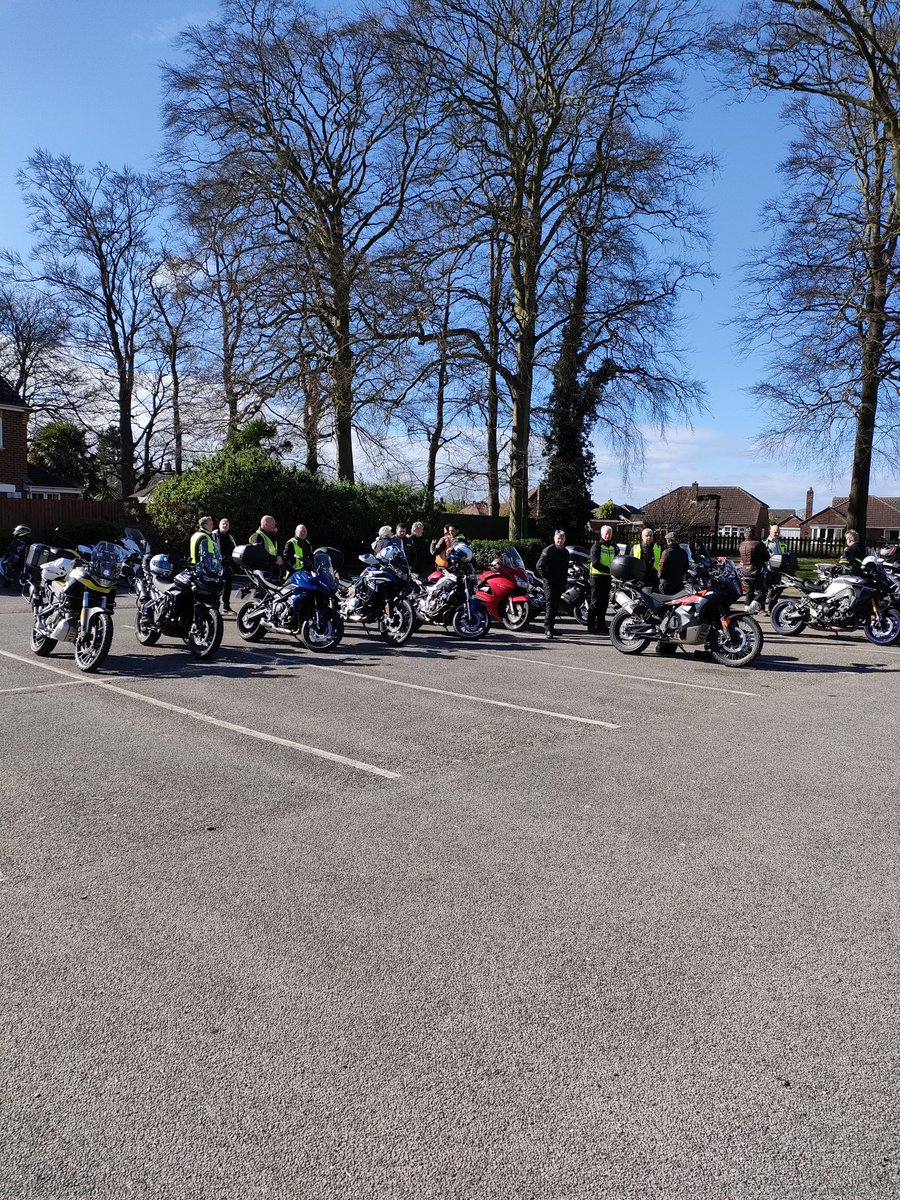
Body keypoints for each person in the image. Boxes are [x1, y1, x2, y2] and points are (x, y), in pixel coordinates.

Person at [535, 529, 569, 639]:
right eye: (558, 538)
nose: (560, 540)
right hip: (549, 583)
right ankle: (548, 629)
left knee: (555, 606)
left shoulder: (565, 552)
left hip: (559, 583)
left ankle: (552, 627)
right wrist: (547, 578)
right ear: (554, 538)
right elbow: (539, 566)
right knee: (550, 605)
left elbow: (564, 569)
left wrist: (564, 582)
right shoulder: (549, 550)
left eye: (562, 538)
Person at [588, 524, 617, 634]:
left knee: (604, 603)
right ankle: (591, 625)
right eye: (606, 533)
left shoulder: (613, 547)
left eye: (610, 533)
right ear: (602, 534)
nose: (608, 535)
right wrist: (609, 570)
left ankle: (601, 625)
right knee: (595, 603)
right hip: (596, 577)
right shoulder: (596, 546)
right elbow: (595, 563)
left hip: (607, 578)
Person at [739, 526, 769, 613]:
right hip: (756, 571)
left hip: (744, 571)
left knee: (749, 591)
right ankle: (750, 609)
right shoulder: (758, 544)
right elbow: (766, 557)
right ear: (753, 534)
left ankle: (746, 608)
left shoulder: (741, 545)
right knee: (762, 592)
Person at [214, 518, 237, 613]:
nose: (225, 526)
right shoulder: (214, 535)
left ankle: (226, 607)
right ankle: (215, 608)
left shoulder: (230, 537)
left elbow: (235, 549)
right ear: (219, 525)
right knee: (217, 587)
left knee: (228, 587)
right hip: (217, 565)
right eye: (223, 524)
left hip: (228, 565)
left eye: (227, 524)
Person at [250, 514, 282, 579]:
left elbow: (277, 550)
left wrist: (279, 557)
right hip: (263, 572)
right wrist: (275, 559)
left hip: (273, 570)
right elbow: (259, 555)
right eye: (273, 524)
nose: (275, 526)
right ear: (266, 524)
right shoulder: (257, 536)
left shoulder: (271, 535)